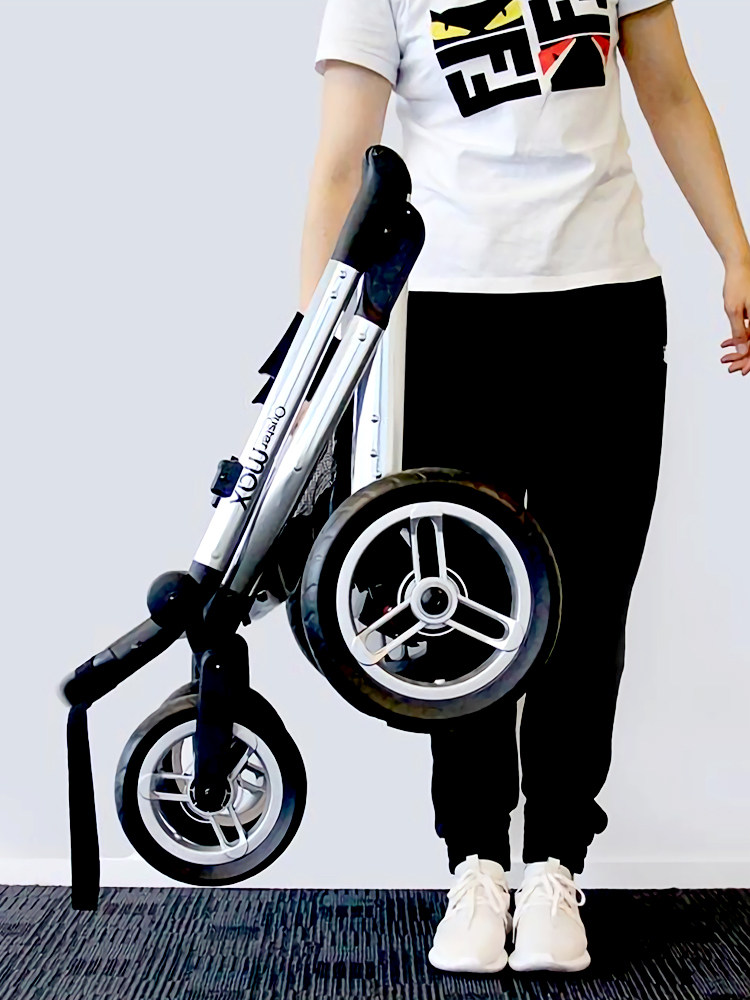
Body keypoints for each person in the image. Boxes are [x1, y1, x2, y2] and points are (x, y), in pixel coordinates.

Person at [299, 0, 750, 976]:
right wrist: (317, 347)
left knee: (588, 599)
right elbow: (343, 161)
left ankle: (553, 865)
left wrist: (736, 249)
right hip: (447, 317)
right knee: (459, 606)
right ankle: (474, 865)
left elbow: (670, 90)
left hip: (607, 308)